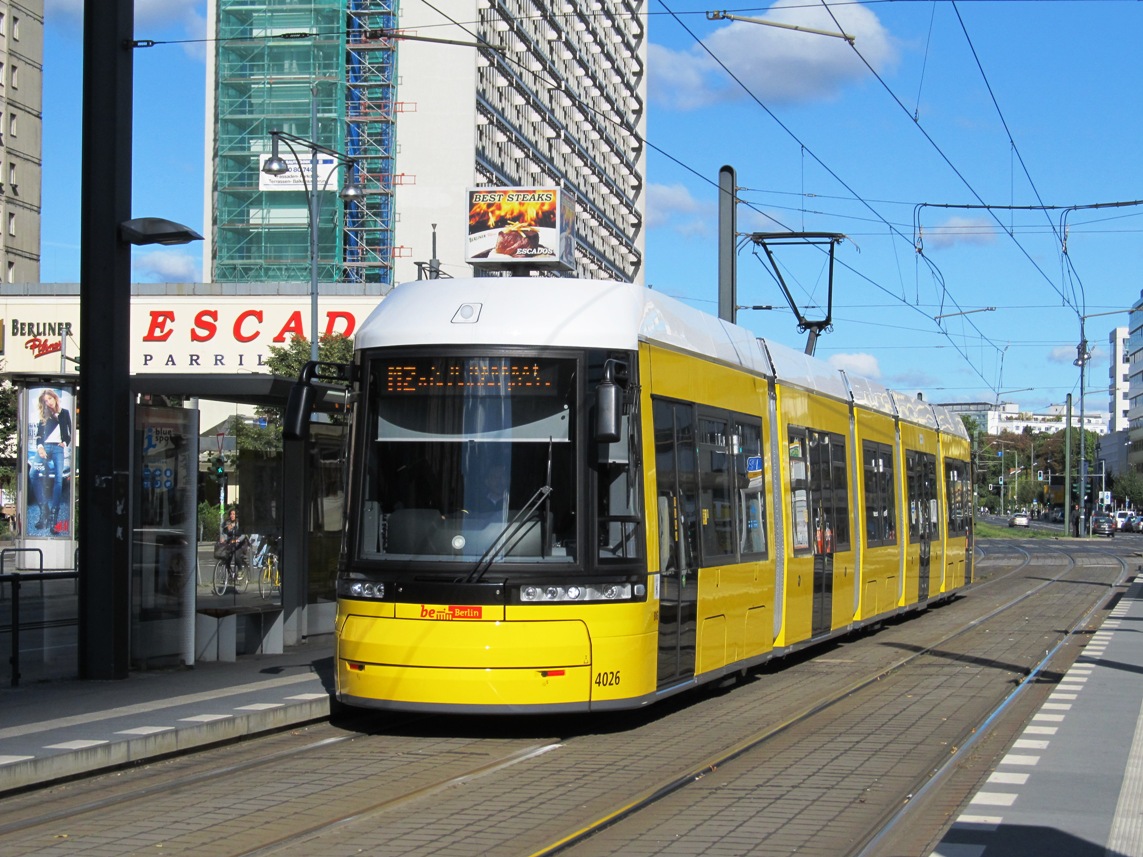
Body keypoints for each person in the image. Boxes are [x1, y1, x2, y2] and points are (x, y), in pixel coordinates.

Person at [34, 389, 73, 532]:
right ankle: (43, 508)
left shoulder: (64, 413)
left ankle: (53, 518)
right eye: (45, 401)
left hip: (58, 448)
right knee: (32, 474)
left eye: (50, 399)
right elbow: (39, 434)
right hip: (44, 448)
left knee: (58, 479)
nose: (48, 402)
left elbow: (70, 432)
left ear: (55, 398)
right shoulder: (44, 415)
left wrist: (65, 443)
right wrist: (40, 447)